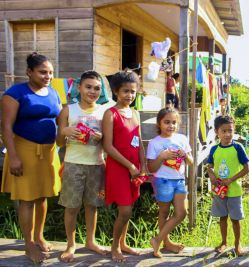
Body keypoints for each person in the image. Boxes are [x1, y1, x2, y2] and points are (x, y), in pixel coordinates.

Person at [1, 52, 61, 263]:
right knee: (26, 200)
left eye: (51, 72)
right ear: (29, 72)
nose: (48, 76)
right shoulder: (15, 93)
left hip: (48, 152)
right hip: (24, 151)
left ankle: (39, 237)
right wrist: (14, 157)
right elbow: (6, 128)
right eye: (43, 72)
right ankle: (28, 245)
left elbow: (60, 121)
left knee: (42, 196)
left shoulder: (54, 93)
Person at [56, 70, 108, 262]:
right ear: (79, 87)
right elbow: (59, 142)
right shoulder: (68, 110)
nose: (92, 91)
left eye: (97, 88)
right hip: (72, 164)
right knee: (71, 207)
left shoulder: (105, 112)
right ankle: (71, 244)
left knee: (92, 205)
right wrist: (65, 131)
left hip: (97, 164)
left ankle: (90, 241)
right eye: (88, 87)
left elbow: (109, 142)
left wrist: (101, 137)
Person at [102, 71, 147, 262]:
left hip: (135, 168)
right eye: (125, 91)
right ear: (115, 91)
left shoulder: (135, 113)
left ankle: (123, 243)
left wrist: (143, 164)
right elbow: (108, 146)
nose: (129, 95)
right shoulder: (110, 114)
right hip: (119, 168)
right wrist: (129, 165)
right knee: (125, 210)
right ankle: (114, 248)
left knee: (129, 207)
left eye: (133, 92)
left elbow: (139, 142)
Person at [147, 107, 193, 258]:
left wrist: (184, 154)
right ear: (159, 123)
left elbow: (191, 162)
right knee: (164, 212)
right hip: (163, 181)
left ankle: (157, 239)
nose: (170, 125)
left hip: (179, 180)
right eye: (167, 122)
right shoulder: (154, 143)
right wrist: (162, 157)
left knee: (182, 213)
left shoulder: (182, 139)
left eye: (174, 122)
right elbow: (151, 168)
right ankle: (165, 242)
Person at [207, 115, 249, 256]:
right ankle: (224, 242)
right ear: (217, 132)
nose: (227, 134)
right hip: (220, 191)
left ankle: (237, 244)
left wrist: (231, 179)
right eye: (223, 131)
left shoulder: (238, 148)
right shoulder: (214, 149)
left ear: (234, 130)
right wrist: (212, 175)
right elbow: (210, 166)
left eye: (230, 131)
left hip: (234, 191)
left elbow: (246, 168)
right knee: (222, 218)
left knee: (235, 219)